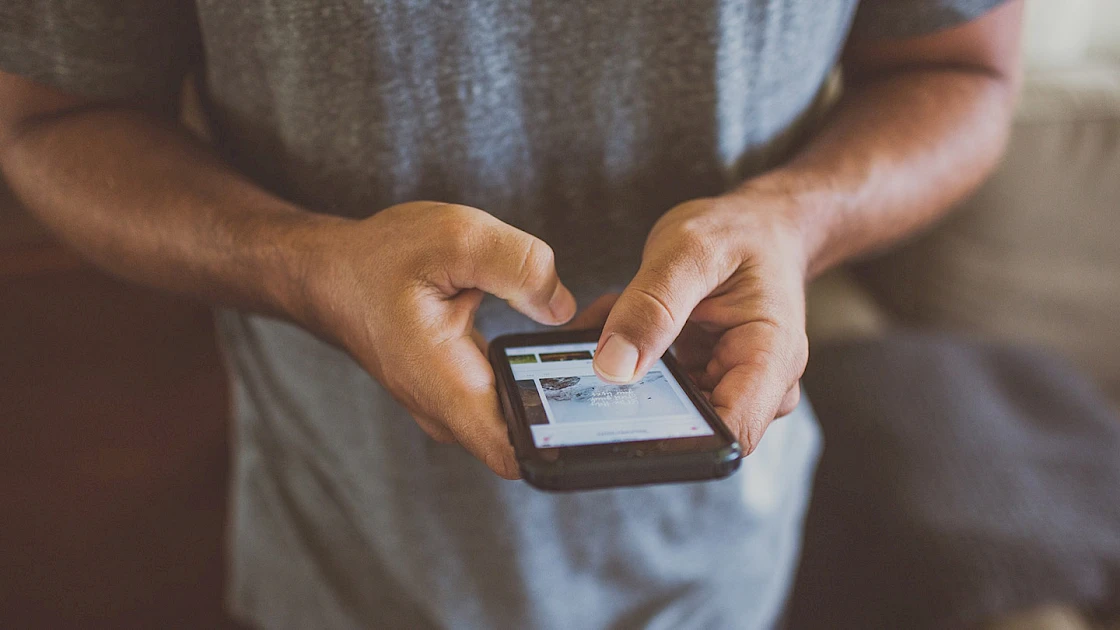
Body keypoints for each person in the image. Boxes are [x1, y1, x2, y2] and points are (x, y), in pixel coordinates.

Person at [0, 1, 1023, 627]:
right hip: (346, 549)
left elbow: (962, 68)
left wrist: (796, 219)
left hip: (722, 563)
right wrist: (310, 269)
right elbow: (53, 119)